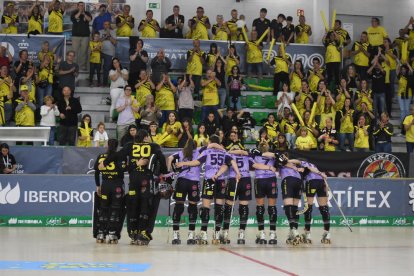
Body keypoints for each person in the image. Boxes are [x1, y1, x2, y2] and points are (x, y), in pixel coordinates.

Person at [99, 129, 168, 245]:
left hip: (133, 179)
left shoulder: (129, 146)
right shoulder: (154, 146)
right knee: (145, 206)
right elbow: (162, 161)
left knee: (133, 206)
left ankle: (133, 232)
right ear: (146, 137)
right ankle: (143, 232)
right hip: (146, 178)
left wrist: (105, 163)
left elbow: (117, 155)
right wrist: (164, 172)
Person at [175, 135, 240, 245]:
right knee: (219, 208)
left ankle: (204, 234)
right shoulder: (224, 152)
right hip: (221, 181)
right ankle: (217, 234)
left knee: (206, 208)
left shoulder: (208, 151)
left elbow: (197, 162)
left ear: (210, 141)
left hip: (210, 180)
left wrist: (183, 163)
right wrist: (238, 173)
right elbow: (231, 162)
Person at [167, 139, 202, 244]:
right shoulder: (199, 151)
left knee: (178, 207)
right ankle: (191, 236)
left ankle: (175, 236)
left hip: (181, 182)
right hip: (193, 183)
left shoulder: (181, 152)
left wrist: (169, 172)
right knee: (193, 208)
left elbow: (169, 158)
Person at [94, 139, 126, 244]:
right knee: (115, 209)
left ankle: (101, 233)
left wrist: (98, 186)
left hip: (105, 185)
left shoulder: (101, 156)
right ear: (117, 146)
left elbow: (96, 172)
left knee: (103, 208)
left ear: (107, 145)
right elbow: (123, 169)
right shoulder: (119, 156)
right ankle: (112, 233)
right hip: (116, 185)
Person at [290, 159, 330, 244]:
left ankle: (307, 233)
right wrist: (326, 192)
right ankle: (327, 233)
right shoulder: (314, 165)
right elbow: (323, 178)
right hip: (321, 182)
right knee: (324, 208)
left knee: (308, 207)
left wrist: (288, 160)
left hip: (312, 182)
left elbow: (305, 166)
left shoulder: (304, 164)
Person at [71, 1, 92, 71]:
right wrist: (80, 12)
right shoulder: (74, 12)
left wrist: (84, 14)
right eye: (80, 5)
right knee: (74, 52)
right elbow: (74, 18)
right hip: (75, 36)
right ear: (77, 6)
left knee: (84, 52)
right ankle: (74, 66)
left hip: (85, 36)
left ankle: (82, 66)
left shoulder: (87, 13)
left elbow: (90, 19)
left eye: (82, 6)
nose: (81, 7)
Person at [367, 51, 386, 117]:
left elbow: (383, 71)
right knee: (374, 109)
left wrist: (377, 63)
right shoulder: (373, 71)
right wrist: (373, 65)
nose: (377, 66)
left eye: (378, 65)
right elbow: (368, 72)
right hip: (374, 93)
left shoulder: (383, 72)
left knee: (382, 109)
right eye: (376, 65)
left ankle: (382, 122)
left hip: (382, 93)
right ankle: (374, 122)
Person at [99, 21, 117, 87]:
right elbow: (97, 41)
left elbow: (115, 42)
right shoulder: (100, 32)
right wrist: (105, 36)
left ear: (110, 25)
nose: (106, 26)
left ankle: (105, 83)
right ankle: (98, 82)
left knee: (107, 68)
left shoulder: (113, 32)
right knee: (97, 67)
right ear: (103, 25)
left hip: (109, 52)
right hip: (99, 51)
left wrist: (109, 36)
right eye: (105, 24)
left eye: (108, 24)